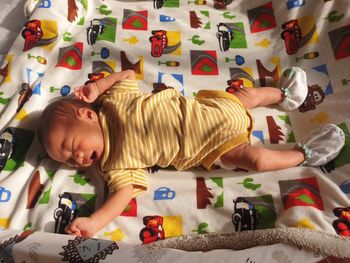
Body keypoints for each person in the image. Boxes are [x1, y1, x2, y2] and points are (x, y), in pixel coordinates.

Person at [37, 68, 345, 237]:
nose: (75, 160)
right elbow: (122, 195)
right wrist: (94, 222)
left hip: (215, 106)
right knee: (258, 159)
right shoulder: (116, 163)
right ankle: (304, 153)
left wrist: (99, 86)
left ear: (87, 116)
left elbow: (128, 76)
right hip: (216, 145)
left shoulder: (115, 102)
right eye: (65, 160)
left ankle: (285, 94)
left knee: (245, 96)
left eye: (69, 146)